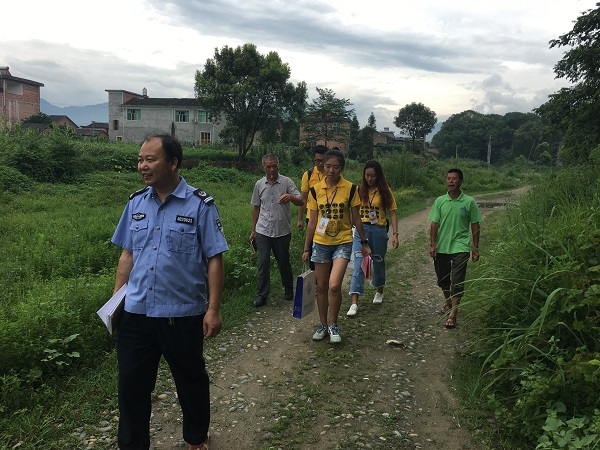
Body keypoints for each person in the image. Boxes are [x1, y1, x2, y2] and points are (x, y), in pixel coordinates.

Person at [111, 134, 228, 450]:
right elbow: (127, 255)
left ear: (173, 163)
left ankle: (196, 438)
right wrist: (115, 302)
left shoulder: (200, 205)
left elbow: (214, 258)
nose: (142, 166)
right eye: (140, 160)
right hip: (136, 313)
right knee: (131, 387)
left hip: (182, 313)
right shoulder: (136, 203)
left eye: (150, 159)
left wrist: (213, 309)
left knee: (190, 381)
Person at [302, 149, 371, 343]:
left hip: (343, 241)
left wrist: (364, 242)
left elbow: (356, 217)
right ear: (322, 166)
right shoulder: (315, 190)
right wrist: (306, 248)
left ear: (342, 168)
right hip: (320, 243)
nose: (331, 171)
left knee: (334, 285)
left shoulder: (350, 189)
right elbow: (312, 221)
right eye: (328, 166)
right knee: (322, 286)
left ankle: (333, 324)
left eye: (336, 167)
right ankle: (323, 325)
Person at [428, 168, 481, 329]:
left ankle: (453, 315)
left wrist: (475, 248)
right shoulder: (440, 201)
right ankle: (448, 302)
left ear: (461, 181)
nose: (451, 181)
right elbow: (434, 224)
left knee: (457, 281)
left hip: (461, 247)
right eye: (448, 178)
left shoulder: (469, 202)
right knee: (443, 280)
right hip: (442, 247)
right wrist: (432, 244)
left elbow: (475, 225)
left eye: (454, 178)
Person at [347, 160, 399, 316]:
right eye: (367, 175)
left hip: (378, 230)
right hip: (361, 230)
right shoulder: (358, 190)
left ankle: (379, 289)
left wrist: (395, 234)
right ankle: (354, 302)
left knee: (378, 261)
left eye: (373, 176)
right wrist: (349, 228)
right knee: (359, 264)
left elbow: (392, 213)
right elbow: (353, 211)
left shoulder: (385, 191)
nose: (369, 179)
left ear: (378, 176)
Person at [250, 153, 304, 307]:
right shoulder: (259, 184)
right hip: (263, 230)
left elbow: (301, 201)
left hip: (282, 231)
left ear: (278, 166)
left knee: (283, 261)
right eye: (269, 166)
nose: (272, 169)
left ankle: (288, 288)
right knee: (263, 263)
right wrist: (253, 230)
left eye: (274, 166)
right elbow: (256, 208)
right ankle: (262, 294)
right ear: (263, 167)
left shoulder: (286, 182)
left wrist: (290, 197)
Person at [297, 144, 328, 270]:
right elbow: (303, 198)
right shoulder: (309, 174)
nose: (320, 163)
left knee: (327, 247)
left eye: (322, 160)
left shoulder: (332, 174)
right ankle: (313, 275)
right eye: (317, 160)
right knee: (311, 247)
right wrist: (300, 218)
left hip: (328, 217)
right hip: (312, 217)